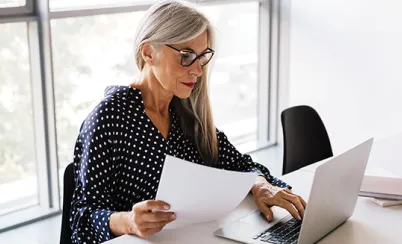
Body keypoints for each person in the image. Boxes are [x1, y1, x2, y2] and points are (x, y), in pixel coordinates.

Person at [69, 0, 306, 243]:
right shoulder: (110, 117)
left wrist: (260, 185)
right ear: (149, 53)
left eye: (201, 57)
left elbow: (239, 165)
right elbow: (82, 218)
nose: (198, 70)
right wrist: (129, 221)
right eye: (186, 56)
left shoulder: (185, 111)